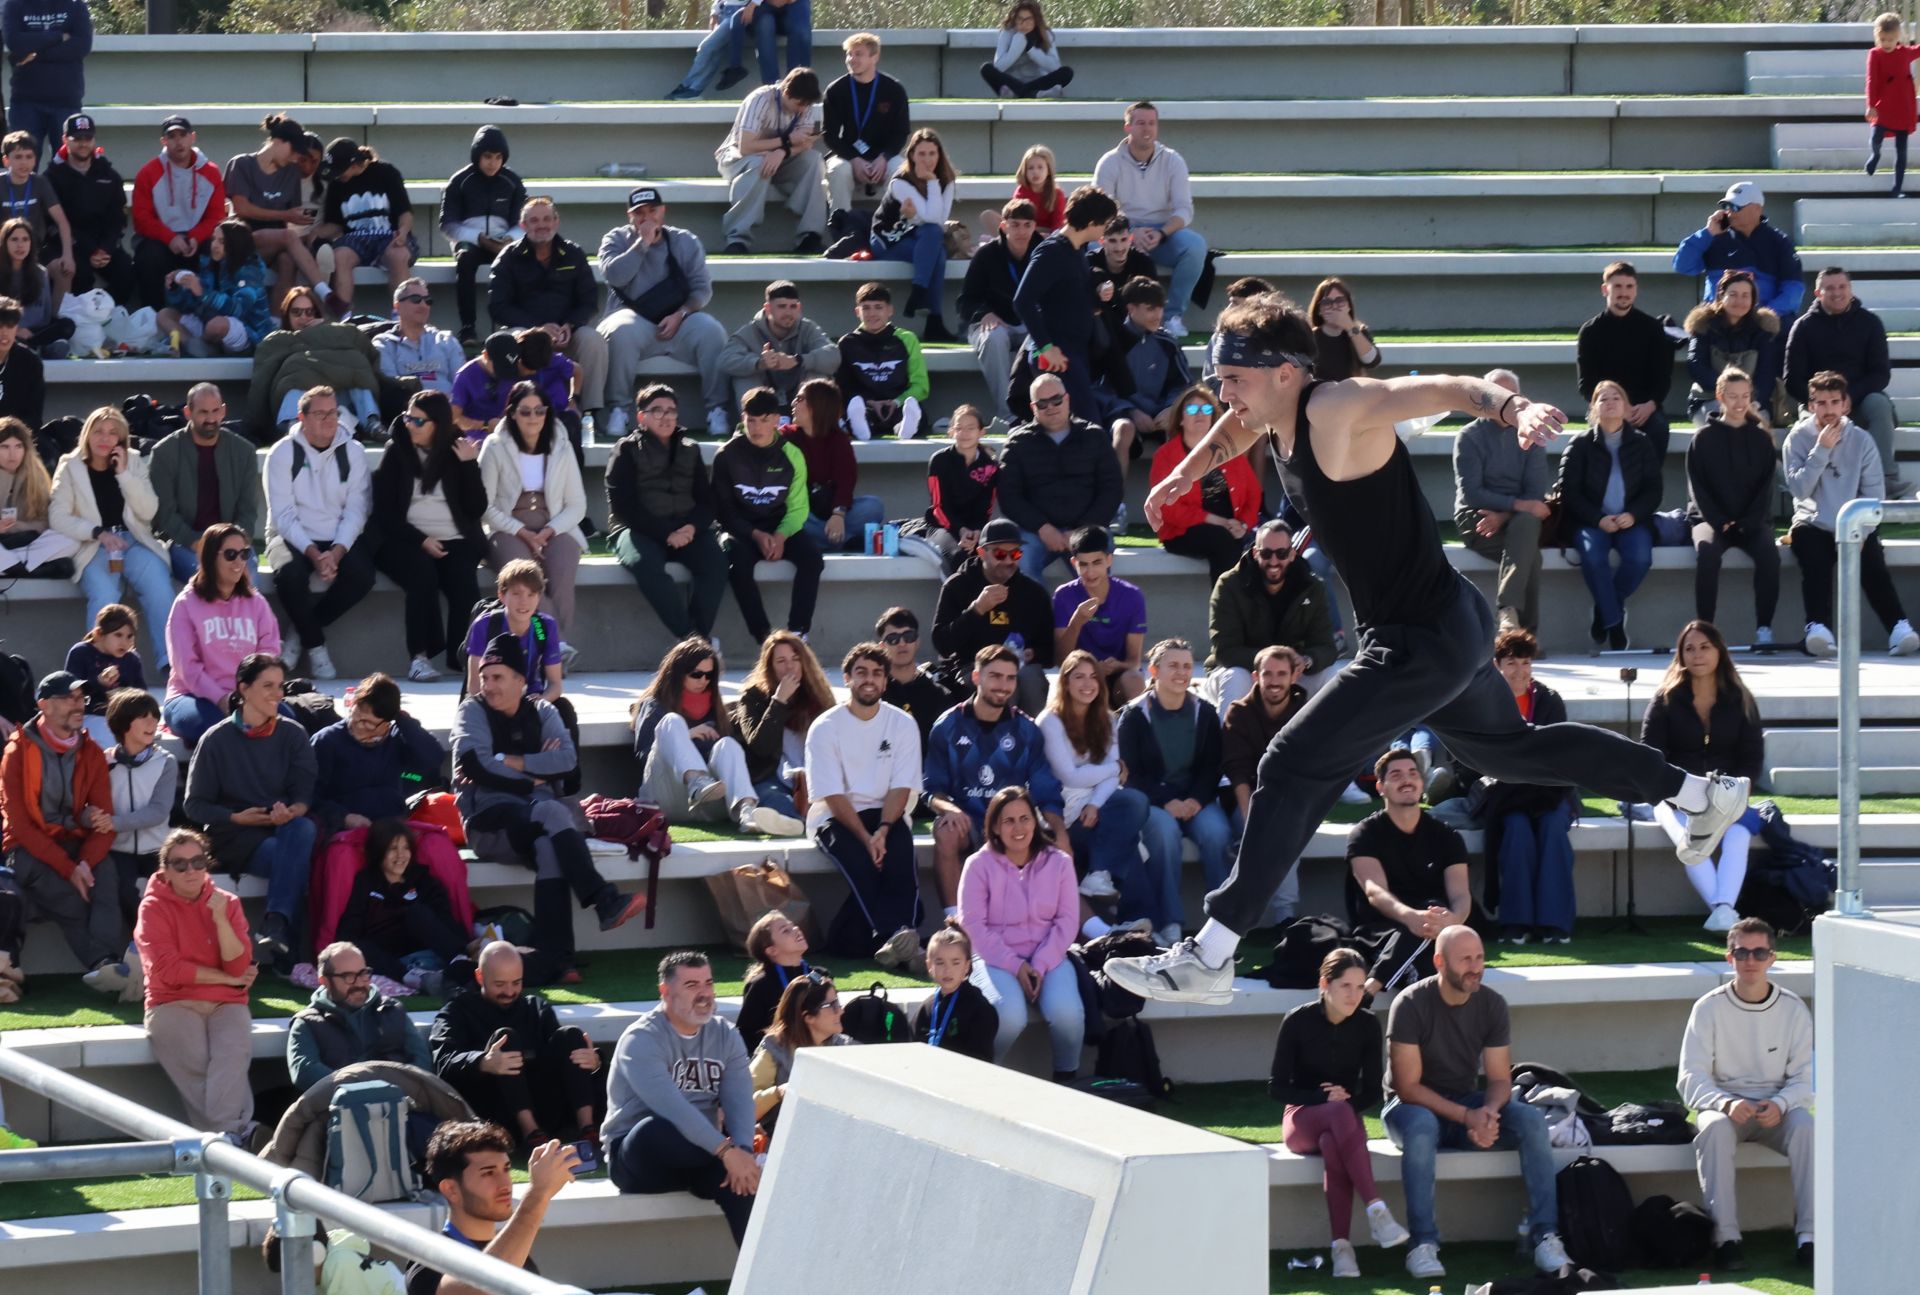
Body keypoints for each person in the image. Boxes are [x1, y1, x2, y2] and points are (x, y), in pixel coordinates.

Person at [1106, 293, 1748, 1007]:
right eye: (1218, 378)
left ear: (1286, 372)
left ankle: (1213, 950)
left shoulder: (1339, 407)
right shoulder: (1270, 412)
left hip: (1420, 641)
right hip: (1448, 625)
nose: (1222, 395)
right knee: (1512, 753)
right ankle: (1700, 793)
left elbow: (1444, 388)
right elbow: (1232, 428)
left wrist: (1511, 410)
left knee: (1289, 763)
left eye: (1235, 379)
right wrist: (1186, 472)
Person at [1381, 927, 1569, 1280]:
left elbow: (1500, 1080)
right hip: (1408, 1110)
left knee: (1529, 1119)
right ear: (1439, 962)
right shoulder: (1409, 1003)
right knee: (1422, 1127)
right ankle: (1423, 1244)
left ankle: (1546, 1235)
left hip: (1465, 1103)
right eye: (1465, 959)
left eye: (1480, 957)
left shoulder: (1491, 1003)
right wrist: (1469, 1116)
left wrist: (1488, 1114)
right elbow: (1408, 1088)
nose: (1475, 967)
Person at [451, 635, 646, 970]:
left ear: (520, 681)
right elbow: (474, 765)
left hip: (540, 822)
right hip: (490, 823)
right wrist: (537, 771)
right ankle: (602, 898)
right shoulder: (472, 710)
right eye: (484, 678)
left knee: (548, 847)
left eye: (497, 677)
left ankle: (556, 958)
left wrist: (511, 761)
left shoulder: (542, 710)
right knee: (552, 811)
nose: (488, 685)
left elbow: (569, 764)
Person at [1678, 916, 1816, 1272]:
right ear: (1729, 958)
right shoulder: (1707, 1008)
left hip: (1778, 1109)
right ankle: (1726, 1239)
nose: (1750, 960)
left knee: (1806, 1128)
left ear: (1773, 957)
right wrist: (1726, 1102)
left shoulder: (1793, 1009)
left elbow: (1806, 1079)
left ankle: (1810, 1238)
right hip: (1725, 1105)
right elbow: (1690, 1077)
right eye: (1742, 952)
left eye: (1759, 952)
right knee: (1713, 1129)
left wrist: (1782, 1103)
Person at [1269, 947, 1410, 1279]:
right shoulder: (1297, 1020)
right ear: (1324, 984)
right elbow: (1277, 1088)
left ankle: (1342, 1251)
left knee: (1336, 1140)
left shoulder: (1366, 1024)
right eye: (1346, 986)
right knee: (1337, 1113)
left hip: (1342, 1122)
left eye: (1360, 987)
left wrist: (1344, 1105)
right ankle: (1377, 1210)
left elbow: (1373, 1093)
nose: (1354, 995)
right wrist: (1321, 1097)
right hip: (1301, 1116)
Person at [602, 951, 759, 1244]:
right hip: (641, 1162)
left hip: (705, 1157)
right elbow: (673, 1109)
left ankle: (762, 1283)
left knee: (742, 1186)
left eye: (708, 983)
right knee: (657, 1129)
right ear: (665, 991)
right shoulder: (641, 1039)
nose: (704, 994)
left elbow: (740, 1100)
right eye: (691, 985)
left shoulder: (725, 1034)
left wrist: (744, 1152)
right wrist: (729, 1154)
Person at [182, 652, 316, 969]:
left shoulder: (293, 733)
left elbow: (305, 793)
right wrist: (234, 817)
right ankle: (289, 956)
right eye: (268, 685)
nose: (278, 694)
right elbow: (194, 805)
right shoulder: (215, 739)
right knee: (295, 859)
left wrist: (293, 810)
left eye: (280, 686)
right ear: (243, 688)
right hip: (235, 836)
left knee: (302, 830)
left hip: (282, 829)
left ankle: (275, 924)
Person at [132, 828, 259, 1143]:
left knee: (231, 1054)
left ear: (207, 864)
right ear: (165, 871)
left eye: (198, 862)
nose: (191, 870)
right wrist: (227, 979)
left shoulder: (226, 902)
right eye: (180, 864)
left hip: (226, 1002)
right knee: (200, 1065)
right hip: (172, 1002)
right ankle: (239, 1132)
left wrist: (219, 918)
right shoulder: (152, 907)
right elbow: (169, 971)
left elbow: (239, 965)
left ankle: (223, 1139)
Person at [0, 669, 123, 984]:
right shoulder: (16, 751)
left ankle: (107, 964)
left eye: (81, 697)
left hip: (74, 844)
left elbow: (104, 820)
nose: (78, 704)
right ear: (44, 705)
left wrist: (84, 863)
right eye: (68, 698)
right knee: (67, 896)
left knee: (106, 874)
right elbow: (19, 826)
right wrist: (70, 869)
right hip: (26, 849)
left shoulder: (91, 751)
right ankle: (102, 963)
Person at [1643, 621, 1768, 931]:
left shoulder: (1740, 698)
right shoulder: (1666, 699)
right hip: (1675, 795)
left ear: (1719, 652)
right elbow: (1650, 755)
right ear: (1681, 656)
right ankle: (1725, 912)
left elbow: (1752, 758)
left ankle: (1722, 910)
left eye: (1704, 647)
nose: (1697, 655)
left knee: (1738, 835)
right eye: (1689, 649)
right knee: (1693, 842)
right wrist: (1677, 790)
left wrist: (1734, 792)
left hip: (1728, 794)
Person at [1785, 370, 1918, 657]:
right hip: (1812, 522)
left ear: (1846, 405)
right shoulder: (1797, 439)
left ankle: (1899, 627)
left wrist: (1863, 531)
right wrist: (1821, 450)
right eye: (1821, 402)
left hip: (1854, 523)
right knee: (1815, 561)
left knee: (1872, 561)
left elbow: (1874, 495)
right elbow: (1799, 490)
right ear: (1810, 405)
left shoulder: (1862, 440)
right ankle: (1818, 628)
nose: (1828, 409)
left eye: (1835, 402)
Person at [805, 642, 923, 962]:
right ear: (847, 678)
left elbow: (901, 787)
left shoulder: (902, 723)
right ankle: (897, 937)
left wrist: (883, 829)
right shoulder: (825, 727)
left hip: (886, 815)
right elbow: (832, 795)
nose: (869, 679)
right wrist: (865, 837)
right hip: (833, 817)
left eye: (876, 673)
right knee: (861, 861)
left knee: (900, 855)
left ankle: (898, 939)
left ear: (886, 681)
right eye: (861, 672)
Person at [926, 643, 1066, 913]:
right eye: (995, 676)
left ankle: (1094, 933)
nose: (1003, 685)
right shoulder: (947, 727)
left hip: (1011, 825)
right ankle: (956, 923)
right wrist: (951, 810)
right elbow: (932, 790)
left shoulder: (1026, 729)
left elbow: (1045, 790)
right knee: (945, 830)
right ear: (977, 677)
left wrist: (1060, 834)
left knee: (1053, 843)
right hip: (968, 821)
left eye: (1010, 678)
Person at [958, 785, 1083, 1077]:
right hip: (994, 958)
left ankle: (1067, 1080)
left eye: (1025, 818)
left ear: (1035, 821)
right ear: (995, 827)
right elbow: (973, 926)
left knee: (1068, 1015)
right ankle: (986, 1074)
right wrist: (1016, 966)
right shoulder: (977, 865)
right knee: (1009, 1016)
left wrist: (1038, 964)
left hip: (1048, 957)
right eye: (1009, 821)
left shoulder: (1060, 863)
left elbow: (1067, 921)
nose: (1018, 828)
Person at [430, 941, 604, 1152]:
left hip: (545, 1103)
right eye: (500, 984)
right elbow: (443, 1061)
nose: (509, 991)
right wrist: (483, 1062)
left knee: (571, 1036)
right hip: (494, 1110)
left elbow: (561, 1058)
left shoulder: (536, 1007)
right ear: (480, 977)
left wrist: (594, 1060)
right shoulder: (456, 1011)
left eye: (516, 983)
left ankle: (587, 1128)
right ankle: (530, 1133)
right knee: (505, 1039)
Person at [1042, 648, 1166, 940]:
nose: (1087, 684)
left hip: (1095, 813)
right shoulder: (1050, 721)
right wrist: (1113, 769)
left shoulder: (1107, 719)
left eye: (1093, 678)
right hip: (1064, 818)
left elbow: (1111, 779)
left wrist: (1096, 803)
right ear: (1065, 683)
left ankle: (1111, 890)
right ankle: (1142, 925)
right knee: (1129, 833)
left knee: (1134, 804)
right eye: (1078, 677)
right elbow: (1067, 775)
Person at [596, 186, 731, 441]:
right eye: (640, 213)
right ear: (630, 216)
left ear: (663, 211)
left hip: (678, 320)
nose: (647, 217)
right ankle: (618, 409)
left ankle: (717, 409)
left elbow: (702, 290)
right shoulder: (615, 239)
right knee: (620, 331)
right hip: (633, 320)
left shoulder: (685, 240)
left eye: (652, 210)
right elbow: (615, 275)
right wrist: (642, 244)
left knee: (711, 330)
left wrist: (681, 313)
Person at [48, 406, 175, 672]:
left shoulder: (133, 459)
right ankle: (99, 669)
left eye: (112, 433)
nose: (105, 438)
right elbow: (57, 515)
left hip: (133, 541)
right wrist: (97, 532)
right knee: (104, 595)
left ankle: (170, 664)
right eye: (98, 432)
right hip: (94, 544)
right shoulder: (70, 465)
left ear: (121, 438)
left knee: (159, 585)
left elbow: (148, 511)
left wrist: (124, 475)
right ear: (87, 435)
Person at [633, 637, 803, 836]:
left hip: (708, 804)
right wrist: (686, 735)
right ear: (678, 673)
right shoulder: (655, 705)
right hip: (666, 797)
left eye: (709, 675)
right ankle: (696, 780)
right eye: (696, 674)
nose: (703, 681)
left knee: (727, 745)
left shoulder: (715, 707)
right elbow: (644, 754)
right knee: (672, 721)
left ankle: (746, 812)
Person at [372, 390, 487, 681]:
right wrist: (420, 540)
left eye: (419, 421)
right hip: (404, 539)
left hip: (454, 537)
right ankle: (419, 657)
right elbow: (384, 512)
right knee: (422, 577)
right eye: (409, 418)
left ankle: (461, 655)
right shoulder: (396, 451)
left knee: (465, 584)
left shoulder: (456, 450)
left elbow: (475, 509)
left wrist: (469, 465)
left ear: (437, 424)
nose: (410, 424)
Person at [263, 386, 375, 680]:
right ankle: (316, 647)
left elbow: (356, 511)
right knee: (289, 575)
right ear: (301, 417)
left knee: (362, 576)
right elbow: (284, 514)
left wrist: (335, 553)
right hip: (289, 534)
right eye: (320, 414)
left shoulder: (353, 452)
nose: (329, 420)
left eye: (333, 413)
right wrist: (313, 554)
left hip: (338, 535)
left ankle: (300, 633)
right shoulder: (282, 453)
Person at [606, 383, 728, 643]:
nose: (666, 417)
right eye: (657, 411)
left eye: (671, 411)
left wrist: (691, 528)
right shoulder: (625, 450)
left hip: (685, 529)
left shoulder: (690, 448)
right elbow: (623, 507)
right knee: (646, 565)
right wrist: (666, 533)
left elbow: (706, 502)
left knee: (716, 564)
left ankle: (699, 637)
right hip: (638, 530)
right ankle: (690, 639)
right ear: (642, 417)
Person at [1343, 748, 1470, 994]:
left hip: (1436, 929)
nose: (1407, 779)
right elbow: (1375, 892)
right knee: (1428, 965)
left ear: (1422, 783)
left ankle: (1371, 989)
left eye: (1413, 773)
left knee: (1433, 911)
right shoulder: (1365, 834)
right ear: (1381, 787)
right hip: (1381, 931)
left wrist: (1453, 921)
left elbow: (1461, 895)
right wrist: (1411, 917)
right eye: (1397, 775)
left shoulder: (1446, 836)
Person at [1117, 638, 1232, 904]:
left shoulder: (1204, 712)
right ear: (1154, 671)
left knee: (1217, 834)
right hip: (1154, 803)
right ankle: (1169, 922)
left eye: (1187, 666)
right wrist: (1165, 801)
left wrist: (1196, 799)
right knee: (1166, 836)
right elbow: (1130, 773)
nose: (1181, 672)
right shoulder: (1134, 715)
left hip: (1195, 800)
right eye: (1173, 666)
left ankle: (1224, 920)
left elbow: (1212, 766)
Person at [1481, 630, 1577, 945]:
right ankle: (1516, 922)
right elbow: (1468, 760)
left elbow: (1560, 756)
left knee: (1552, 826)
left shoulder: (1549, 701)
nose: (1520, 671)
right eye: (1511, 663)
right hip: (1504, 797)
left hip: (1550, 792)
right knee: (1517, 829)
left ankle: (1555, 923)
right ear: (1496, 666)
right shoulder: (1480, 703)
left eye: (1525, 662)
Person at [479, 380, 587, 654]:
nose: (533, 417)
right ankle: (553, 645)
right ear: (512, 413)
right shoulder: (494, 446)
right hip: (507, 528)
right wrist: (520, 531)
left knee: (563, 569)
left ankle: (557, 647)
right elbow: (484, 505)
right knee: (527, 578)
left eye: (540, 411)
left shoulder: (561, 445)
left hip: (553, 524)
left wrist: (549, 530)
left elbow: (577, 504)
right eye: (525, 411)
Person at [711, 385, 825, 644]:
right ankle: (765, 640)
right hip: (741, 528)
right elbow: (723, 511)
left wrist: (781, 535)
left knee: (813, 560)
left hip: (780, 525)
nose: (757, 427)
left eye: (764, 420)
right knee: (736, 566)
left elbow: (798, 507)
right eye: (751, 420)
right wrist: (756, 535)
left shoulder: (792, 454)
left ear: (776, 420)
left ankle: (798, 634)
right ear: (743, 419)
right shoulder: (726, 455)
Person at [408, 1121, 575, 1295]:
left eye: (506, 1169)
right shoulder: (429, 1261)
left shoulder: (519, 1257)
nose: (505, 1184)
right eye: (488, 1173)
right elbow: (474, 1289)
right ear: (451, 1189)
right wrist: (538, 1194)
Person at [487, 197, 607, 433]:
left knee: (592, 340)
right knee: (512, 340)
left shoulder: (574, 254)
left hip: (566, 335)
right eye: (533, 220)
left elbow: (589, 301)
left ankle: (588, 414)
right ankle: (516, 410)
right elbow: (498, 306)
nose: (541, 225)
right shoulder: (508, 258)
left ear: (556, 221)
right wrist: (537, 329)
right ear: (523, 225)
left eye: (546, 219)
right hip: (527, 336)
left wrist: (570, 325)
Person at [1559, 380, 1661, 653]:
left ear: (1627, 406)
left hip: (1631, 521)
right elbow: (1569, 492)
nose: (1611, 402)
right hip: (1591, 522)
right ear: (1594, 408)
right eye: (1603, 399)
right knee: (1593, 557)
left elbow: (1654, 490)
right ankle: (1615, 625)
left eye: (1616, 397)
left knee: (1640, 557)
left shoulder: (1641, 443)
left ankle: (1605, 611)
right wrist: (1597, 519)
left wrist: (1633, 514)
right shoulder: (1580, 444)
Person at [1784, 265, 1902, 494]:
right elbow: (1792, 379)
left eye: (1842, 286)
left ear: (1851, 289)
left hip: (1857, 400)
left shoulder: (1870, 323)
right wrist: (1823, 401)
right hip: (1818, 404)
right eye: (1829, 288)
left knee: (1879, 404)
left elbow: (1880, 373)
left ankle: (1886, 477)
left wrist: (1849, 396)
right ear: (1818, 293)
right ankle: (1815, 485)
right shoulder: (1803, 327)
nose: (1837, 292)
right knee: (1807, 425)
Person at [997, 373, 1124, 584]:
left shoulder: (1094, 436)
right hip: (1035, 532)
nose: (1051, 407)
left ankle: (1093, 617)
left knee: (1095, 573)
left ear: (1067, 399)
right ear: (1033, 408)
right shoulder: (1018, 442)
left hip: (1087, 528)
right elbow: (1009, 495)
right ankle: (1037, 618)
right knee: (1023, 563)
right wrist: (1043, 528)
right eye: (1042, 403)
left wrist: (1082, 529)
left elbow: (1112, 489)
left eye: (1056, 399)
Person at [162, 522, 280, 745]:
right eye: (230, 554)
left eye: (244, 554)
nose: (239, 562)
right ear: (209, 558)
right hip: (192, 696)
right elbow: (187, 668)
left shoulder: (256, 603)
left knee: (289, 724)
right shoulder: (185, 604)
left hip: (249, 696)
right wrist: (222, 698)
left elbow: (269, 654)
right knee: (225, 729)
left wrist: (252, 693)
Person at [1453, 369, 1550, 635]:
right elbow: (1472, 492)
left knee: (1526, 527)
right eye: (1495, 395)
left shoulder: (1532, 435)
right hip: (1477, 517)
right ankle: (1526, 639)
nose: (1502, 401)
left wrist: (1506, 514)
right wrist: (1516, 509)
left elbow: (1535, 492)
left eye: (1510, 395)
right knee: (1531, 555)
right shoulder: (1469, 436)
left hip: (1516, 520)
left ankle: (1509, 616)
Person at [1093, 102, 1204, 336]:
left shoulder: (1173, 161)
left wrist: (1162, 232)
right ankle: (1099, 314)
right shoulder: (1110, 162)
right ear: (1127, 127)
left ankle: (1171, 316)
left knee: (1195, 246)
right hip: (1121, 233)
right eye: (1140, 123)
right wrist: (1131, 231)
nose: (1147, 129)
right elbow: (1101, 211)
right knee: (1091, 247)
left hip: (1162, 234)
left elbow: (1185, 210)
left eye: (1152, 123)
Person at [1220, 646, 1310, 927]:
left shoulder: (1307, 713)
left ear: (1293, 676)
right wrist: (1250, 815)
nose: (1274, 681)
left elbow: (1309, 767)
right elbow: (1237, 771)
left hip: (1290, 800)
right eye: (1268, 674)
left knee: (1285, 828)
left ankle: (1285, 919)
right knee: (1266, 830)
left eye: (1281, 674)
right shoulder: (1238, 713)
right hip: (1246, 799)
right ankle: (1236, 919)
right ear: (1256, 676)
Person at [1688, 368, 1781, 641]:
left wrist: (1749, 522)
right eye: (1733, 396)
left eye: (1745, 396)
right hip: (1710, 520)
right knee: (1707, 554)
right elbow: (1698, 488)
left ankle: (1764, 629)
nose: (1740, 403)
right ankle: (1705, 632)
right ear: (1720, 397)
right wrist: (1719, 521)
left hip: (1751, 520)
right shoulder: (1703, 438)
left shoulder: (1761, 438)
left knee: (1769, 556)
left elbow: (1766, 489)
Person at [1012, 186, 1119, 421]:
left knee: (1081, 430)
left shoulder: (1076, 250)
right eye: (1104, 224)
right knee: (1088, 426)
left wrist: (1097, 292)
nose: (1104, 231)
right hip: (1058, 356)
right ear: (1092, 222)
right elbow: (1023, 300)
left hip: (1074, 352)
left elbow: (1066, 293)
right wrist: (1046, 347)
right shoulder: (1051, 252)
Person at [1203, 518, 1335, 707]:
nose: (1274, 561)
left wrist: (1306, 660)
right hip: (1244, 671)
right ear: (1256, 553)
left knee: (1330, 676)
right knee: (1235, 677)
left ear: (1292, 554)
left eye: (1281, 554)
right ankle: (1229, 736)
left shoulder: (1312, 587)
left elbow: (1326, 647)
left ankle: (1327, 737)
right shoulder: (1230, 584)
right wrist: (1271, 664)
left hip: (1290, 675)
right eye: (1266, 553)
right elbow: (1225, 651)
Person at [931, 516, 1055, 716]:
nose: (1008, 561)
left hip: (1018, 668)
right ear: (981, 553)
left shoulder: (1033, 593)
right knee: (1001, 685)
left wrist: (1033, 653)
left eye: (1014, 554)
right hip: (971, 666)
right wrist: (976, 610)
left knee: (1030, 679)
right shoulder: (958, 585)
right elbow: (942, 644)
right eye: (999, 554)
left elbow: (1049, 652)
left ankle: (1030, 741)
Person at [333, 819, 470, 996]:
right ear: (379, 851)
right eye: (393, 849)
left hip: (427, 952)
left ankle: (461, 964)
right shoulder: (365, 882)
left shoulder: (422, 879)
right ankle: (417, 979)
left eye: (405, 848)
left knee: (416, 913)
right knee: (353, 946)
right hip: (387, 958)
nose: (401, 855)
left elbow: (445, 920)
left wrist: (467, 946)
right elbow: (349, 931)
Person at [287, 939, 435, 1093]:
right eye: (348, 977)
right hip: (339, 1110)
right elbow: (304, 1072)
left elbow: (422, 1061)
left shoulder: (392, 1010)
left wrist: (394, 1089)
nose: (359, 983)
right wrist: (362, 1089)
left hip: (402, 1105)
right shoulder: (307, 1023)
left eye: (363, 974)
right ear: (324, 981)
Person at [148, 385, 260, 583]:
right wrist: (196, 542)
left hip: (232, 541)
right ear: (188, 412)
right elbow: (164, 515)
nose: (210, 419)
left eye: (216, 411)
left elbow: (248, 512)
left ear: (224, 411)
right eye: (203, 412)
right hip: (185, 543)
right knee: (209, 579)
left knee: (248, 579)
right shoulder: (164, 453)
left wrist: (231, 545)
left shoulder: (244, 452)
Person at [310, 673, 445, 836]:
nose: (359, 726)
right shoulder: (327, 741)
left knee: (435, 844)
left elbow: (434, 758)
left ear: (387, 724)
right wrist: (343, 817)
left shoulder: (396, 738)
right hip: (346, 830)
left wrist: (405, 722)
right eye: (355, 717)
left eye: (368, 723)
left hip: (391, 827)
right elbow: (310, 796)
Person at [714, 68, 827, 257]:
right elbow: (746, 147)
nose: (802, 108)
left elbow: (805, 144)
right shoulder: (759, 99)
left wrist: (782, 151)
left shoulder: (805, 104)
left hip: (781, 158)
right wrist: (785, 142)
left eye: (806, 104)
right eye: (799, 103)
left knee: (814, 160)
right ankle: (737, 239)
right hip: (738, 159)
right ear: (785, 91)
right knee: (758, 163)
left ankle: (810, 236)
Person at [247, 287, 388, 436]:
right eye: (296, 312)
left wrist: (325, 327)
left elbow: (361, 348)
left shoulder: (336, 332)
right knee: (295, 379)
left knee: (358, 375)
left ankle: (372, 423)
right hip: (303, 404)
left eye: (309, 312)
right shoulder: (278, 340)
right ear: (286, 314)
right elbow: (262, 379)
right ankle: (292, 426)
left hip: (338, 402)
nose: (303, 317)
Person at [1151, 384, 1259, 581]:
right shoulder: (1165, 455)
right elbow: (1169, 510)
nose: (1200, 414)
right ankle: (1224, 608)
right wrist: (1219, 522)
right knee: (1224, 541)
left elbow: (1253, 494)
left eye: (1206, 409)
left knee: (1266, 544)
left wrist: (1242, 524)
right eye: (1192, 409)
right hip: (1183, 531)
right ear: (1180, 419)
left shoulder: (1230, 452)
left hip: (1230, 527)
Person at [221, 114, 330, 306]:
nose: (296, 158)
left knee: (288, 260)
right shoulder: (242, 164)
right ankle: (325, 293)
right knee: (289, 237)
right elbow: (242, 208)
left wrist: (300, 218)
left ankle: (277, 322)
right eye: (294, 151)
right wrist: (285, 215)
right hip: (244, 239)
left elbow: (291, 213)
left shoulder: (290, 172)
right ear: (278, 142)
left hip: (274, 242)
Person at [1575, 259, 1678, 459]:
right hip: (1606, 405)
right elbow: (1586, 384)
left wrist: (1651, 404)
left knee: (1658, 429)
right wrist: (1615, 407)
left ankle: (1647, 489)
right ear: (1605, 289)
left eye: (1629, 286)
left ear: (1636, 290)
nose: (1624, 292)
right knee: (1598, 438)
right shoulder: (1590, 331)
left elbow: (1663, 377)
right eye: (1618, 286)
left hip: (1644, 408)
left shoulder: (1652, 328)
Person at [438, 124, 526, 345]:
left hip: (504, 242)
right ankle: (468, 328)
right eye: (487, 156)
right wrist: (478, 238)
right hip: (470, 243)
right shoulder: (459, 181)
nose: (492, 163)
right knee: (465, 259)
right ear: (477, 155)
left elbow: (524, 222)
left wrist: (510, 238)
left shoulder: (513, 182)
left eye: (498, 157)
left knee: (522, 261)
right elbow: (447, 225)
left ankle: (514, 324)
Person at [733, 630, 833, 824]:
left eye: (795, 659)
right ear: (769, 666)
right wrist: (779, 701)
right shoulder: (753, 697)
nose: (790, 667)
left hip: (814, 777)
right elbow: (761, 747)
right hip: (772, 777)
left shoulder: (818, 696)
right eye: (781, 661)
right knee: (771, 797)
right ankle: (796, 822)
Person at [312, 138, 415, 320]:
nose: (336, 175)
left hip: (388, 235)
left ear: (353, 164)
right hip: (354, 239)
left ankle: (400, 316)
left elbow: (404, 212)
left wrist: (403, 232)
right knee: (340, 256)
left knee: (398, 255)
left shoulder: (386, 172)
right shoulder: (337, 184)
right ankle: (344, 316)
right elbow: (336, 223)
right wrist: (316, 234)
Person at [868, 128, 956, 341]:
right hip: (888, 239)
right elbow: (931, 218)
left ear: (940, 155)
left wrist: (933, 182)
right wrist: (920, 215)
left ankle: (919, 292)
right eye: (921, 154)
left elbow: (937, 220)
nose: (927, 159)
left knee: (934, 240)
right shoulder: (900, 181)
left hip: (921, 237)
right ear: (912, 155)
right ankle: (932, 317)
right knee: (937, 253)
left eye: (932, 154)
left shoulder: (946, 180)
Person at [1101, 275, 1194, 476]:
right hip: (1124, 415)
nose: (1158, 315)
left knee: (1180, 425)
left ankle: (1177, 503)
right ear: (1131, 309)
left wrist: (1171, 408)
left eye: (1161, 308)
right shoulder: (1112, 341)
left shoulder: (1167, 342)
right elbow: (1100, 389)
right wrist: (1130, 411)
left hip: (1159, 414)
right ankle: (1117, 504)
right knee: (1123, 429)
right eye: (1151, 308)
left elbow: (1184, 384)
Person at [130, 115, 225, 311]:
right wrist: (170, 238)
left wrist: (195, 238)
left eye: (183, 135)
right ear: (164, 141)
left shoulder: (211, 172)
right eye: (172, 136)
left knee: (218, 248)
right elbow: (141, 218)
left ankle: (212, 310)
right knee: (148, 254)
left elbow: (216, 216)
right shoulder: (148, 172)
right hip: (162, 239)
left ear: (193, 137)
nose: (178, 141)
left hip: (197, 238)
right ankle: (153, 314)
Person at [822, 33, 910, 239]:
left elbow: (901, 132)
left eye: (858, 54)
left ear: (874, 57)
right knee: (838, 170)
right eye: (849, 54)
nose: (852, 59)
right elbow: (830, 135)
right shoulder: (836, 90)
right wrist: (854, 159)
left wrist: (884, 157)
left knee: (901, 170)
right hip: (848, 153)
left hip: (883, 155)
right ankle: (840, 233)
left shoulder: (894, 89)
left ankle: (894, 231)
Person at [1671, 181, 1804, 318]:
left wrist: (1764, 316)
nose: (1729, 212)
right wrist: (1707, 232)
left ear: (1757, 209)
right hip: (1717, 320)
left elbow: (1793, 290)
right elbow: (1682, 266)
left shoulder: (1779, 242)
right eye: (1726, 206)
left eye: (1736, 207)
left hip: (1762, 323)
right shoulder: (1713, 237)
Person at [100, 687, 175, 923]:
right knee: (124, 894)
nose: (152, 723)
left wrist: (113, 823)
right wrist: (91, 817)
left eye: (155, 716)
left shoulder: (166, 762)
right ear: (123, 723)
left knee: (170, 898)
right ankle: (142, 947)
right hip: (118, 851)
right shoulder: (103, 762)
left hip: (157, 849)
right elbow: (86, 807)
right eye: (144, 717)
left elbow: (159, 811)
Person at [960, 199, 1037, 425]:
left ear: (1034, 226)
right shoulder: (986, 255)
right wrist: (984, 313)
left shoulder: (1044, 252)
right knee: (994, 338)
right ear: (1003, 226)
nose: (1021, 231)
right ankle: (1009, 414)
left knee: (1052, 336)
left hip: (1030, 324)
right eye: (1015, 225)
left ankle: (1046, 410)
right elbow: (965, 301)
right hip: (993, 324)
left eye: (1026, 224)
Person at [43, 113, 133, 304]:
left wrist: (106, 248)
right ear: (65, 140)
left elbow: (118, 218)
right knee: (78, 273)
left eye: (88, 138)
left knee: (126, 269)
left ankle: (109, 318)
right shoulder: (52, 177)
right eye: (77, 138)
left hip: (103, 245)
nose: (83, 144)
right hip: (68, 245)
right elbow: (51, 224)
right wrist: (89, 250)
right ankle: (78, 326)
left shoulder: (109, 174)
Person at [785, 376, 883, 552]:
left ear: (817, 405)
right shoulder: (786, 438)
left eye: (800, 399)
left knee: (873, 506)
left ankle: (823, 540)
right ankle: (842, 541)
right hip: (803, 513)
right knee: (789, 516)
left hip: (831, 511)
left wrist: (838, 515)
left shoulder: (838, 440)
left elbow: (846, 481)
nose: (793, 403)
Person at [1052, 525, 1146, 704]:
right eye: (1083, 564)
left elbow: (1134, 662)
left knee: (1134, 680)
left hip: (1118, 676)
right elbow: (1061, 661)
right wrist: (1077, 622)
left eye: (1097, 562)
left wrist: (1115, 666)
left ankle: (1134, 728)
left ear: (1109, 560)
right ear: (1074, 563)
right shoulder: (1064, 595)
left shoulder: (1132, 595)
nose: (1090, 572)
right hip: (1080, 677)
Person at [901, 403, 997, 575]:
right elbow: (939, 507)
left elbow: (986, 507)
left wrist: (976, 531)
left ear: (981, 432)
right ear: (951, 431)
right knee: (959, 555)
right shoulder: (940, 460)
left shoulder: (990, 465)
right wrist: (960, 529)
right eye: (959, 428)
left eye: (970, 428)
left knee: (987, 555)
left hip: (975, 528)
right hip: (943, 526)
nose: (964, 433)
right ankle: (957, 600)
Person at [749, 970, 852, 1129]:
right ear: (808, 1017)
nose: (841, 1010)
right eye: (832, 1005)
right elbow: (743, 1108)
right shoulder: (775, 1049)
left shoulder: (844, 1046)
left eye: (838, 1002)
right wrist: (779, 1092)